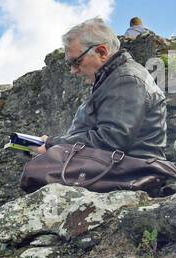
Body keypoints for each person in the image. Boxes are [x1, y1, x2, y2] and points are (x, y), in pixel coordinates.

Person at [30, 17, 168, 161]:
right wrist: (50, 145)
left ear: (102, 52)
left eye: (76, 62)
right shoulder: (113, 81)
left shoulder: (126, 80)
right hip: (121, 169)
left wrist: (53, 144)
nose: (73, 71)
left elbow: (111, 140)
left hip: (133, 172)